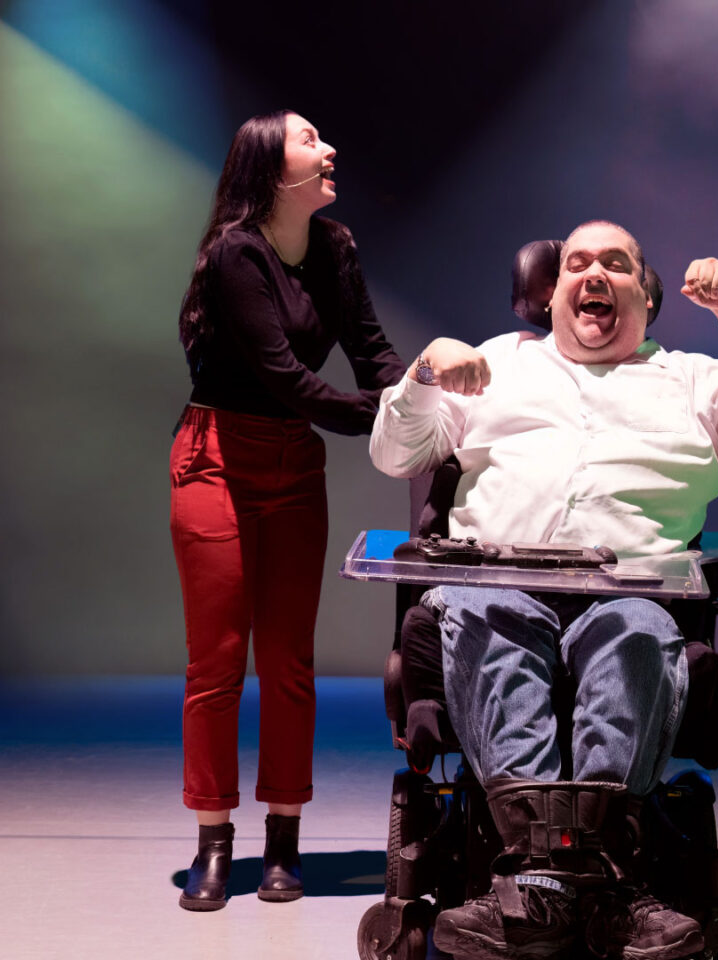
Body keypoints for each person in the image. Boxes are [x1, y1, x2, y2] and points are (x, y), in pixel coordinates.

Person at [370, 220, 718, 959]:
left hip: (632, 595)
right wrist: (423, 373)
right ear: (550, 296)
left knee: (635, 630)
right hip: (498, 587)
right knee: (489, 615)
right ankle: (560, 886)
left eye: (617, 264)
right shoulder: (495, 363)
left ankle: (574, 888)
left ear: (646, 295)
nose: (595, 274)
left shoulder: (694, 380)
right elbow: (395, 454)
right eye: (577, 263)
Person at [170, 109, 406, 911]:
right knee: (217, 660)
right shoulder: (236, 254)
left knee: (288, 661)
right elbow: (285, 378)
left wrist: (417, 399)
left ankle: (283, 840)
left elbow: (371, 350)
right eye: (310, 140)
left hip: (292, 463)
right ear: (272, 170)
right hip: (217, 460)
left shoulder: (335, 248)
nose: (330, 148)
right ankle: (212, 840)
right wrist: (378, 416)